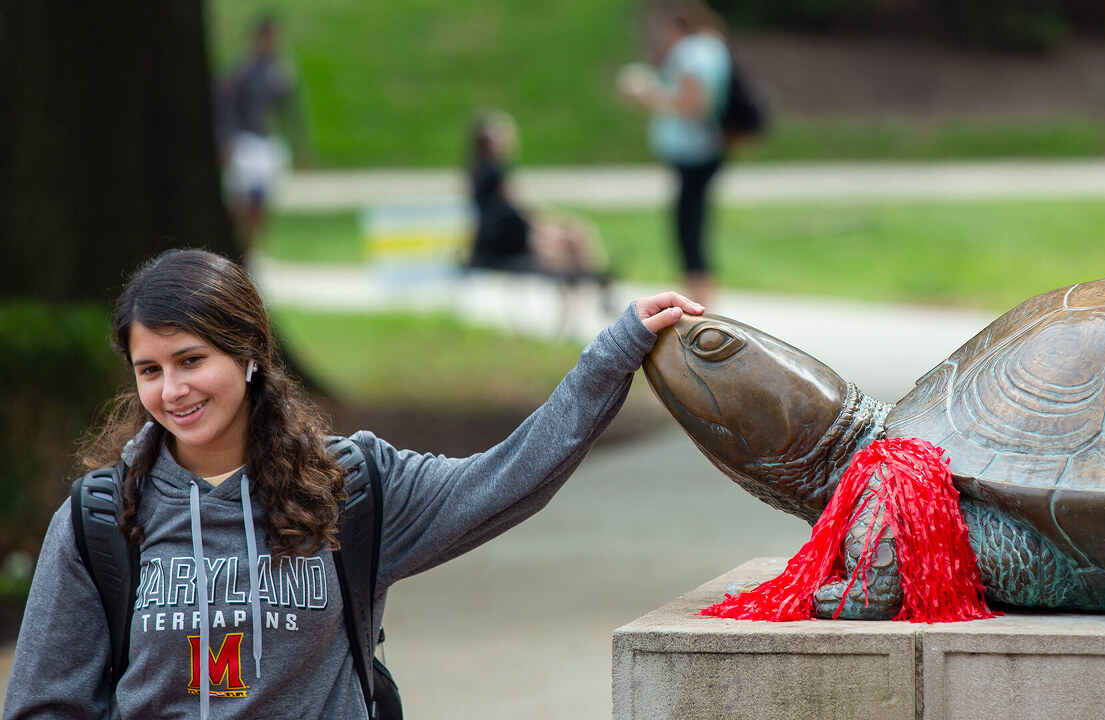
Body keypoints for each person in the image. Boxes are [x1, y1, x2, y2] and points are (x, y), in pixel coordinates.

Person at [2, 248, 701, 718]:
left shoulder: (347, 488)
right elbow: (43, 704)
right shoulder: (101, 519)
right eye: (149, 369)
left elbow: (510, 479)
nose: (173, 390)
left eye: (191, 359)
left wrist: (609, 358)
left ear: (247, 354)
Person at [618, 0, 731, 306]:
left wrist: (648, 95)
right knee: (693, 224)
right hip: (707, 149)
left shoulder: (690, 52)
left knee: (688, 228)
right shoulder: (712, 46)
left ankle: (699, 307)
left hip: (695, 152)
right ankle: (702, 301)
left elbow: (693, 104)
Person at [466, 110, 613, 327]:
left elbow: (517, 210)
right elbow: (520, 211)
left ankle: (592, 288)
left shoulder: (479, 170)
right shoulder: (496, 173)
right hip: (507, 242)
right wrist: (548, 224)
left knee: (571, 235)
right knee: (570, 239)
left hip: (499, 238)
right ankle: (597, 285)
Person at [217, 15, 302, 252]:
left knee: (263, 197)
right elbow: (226, 106)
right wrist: (227, 139)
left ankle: (254, 243)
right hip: (243, 140)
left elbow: (289, 109)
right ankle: (244, 242)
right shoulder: (240, 70)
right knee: (242, 197)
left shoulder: (276, 71)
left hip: (265, 141)